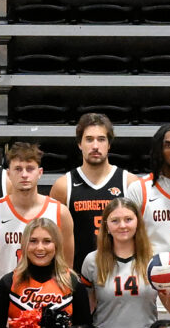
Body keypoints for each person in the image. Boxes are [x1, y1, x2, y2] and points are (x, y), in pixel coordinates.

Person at [80, 197, 158, 328]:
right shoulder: (93, 261)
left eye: (128, 219)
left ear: (138, 222)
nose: (122, 225)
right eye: (115, 221)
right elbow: (85, 311)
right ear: (106, 225)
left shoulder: (155, 260)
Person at [50, 112, 141, 271]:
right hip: (78, 276)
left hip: (122, 275)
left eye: (101, 139)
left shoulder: (130, 183)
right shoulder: (63, 186)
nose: (95, 146)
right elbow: (53, 238)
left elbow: (142, 234)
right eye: (89, 139)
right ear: (79, 144)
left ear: (109, 144)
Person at [0, 140, 73, 291]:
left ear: (40, 173)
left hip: (49, 299)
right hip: (8, 300)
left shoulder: (59, 212)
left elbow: (66, 267)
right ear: (8, 174)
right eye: (18, 169)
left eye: (30, 169)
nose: (24, 175)